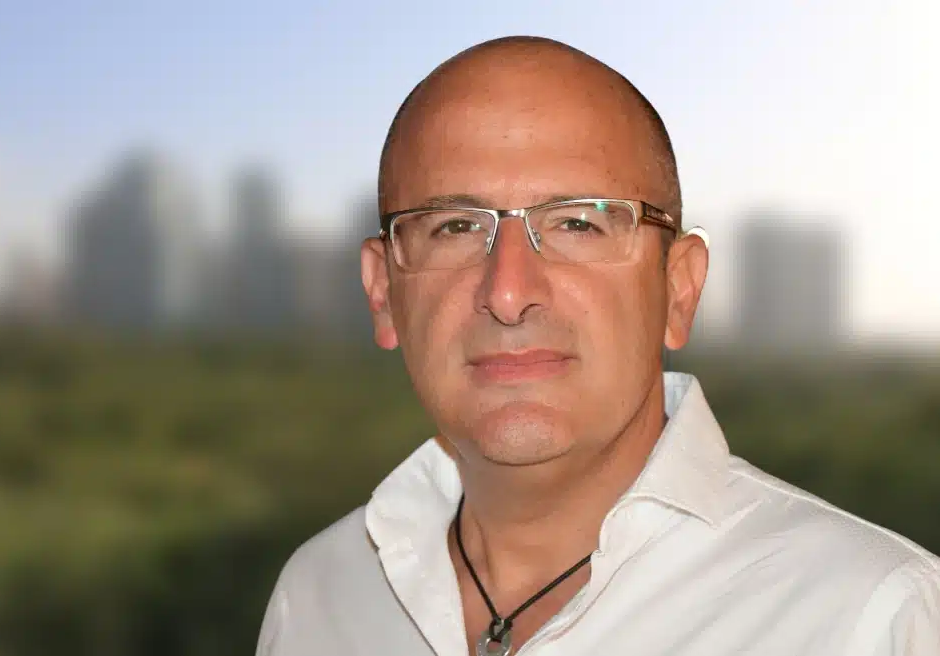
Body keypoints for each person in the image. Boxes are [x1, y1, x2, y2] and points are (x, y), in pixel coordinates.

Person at [255, 36, 940, 656]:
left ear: (678, 289)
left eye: (578, 223)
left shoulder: (869, 617)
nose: (507, 292)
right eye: (454, 227)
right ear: (382, 292)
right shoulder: (319, 595)